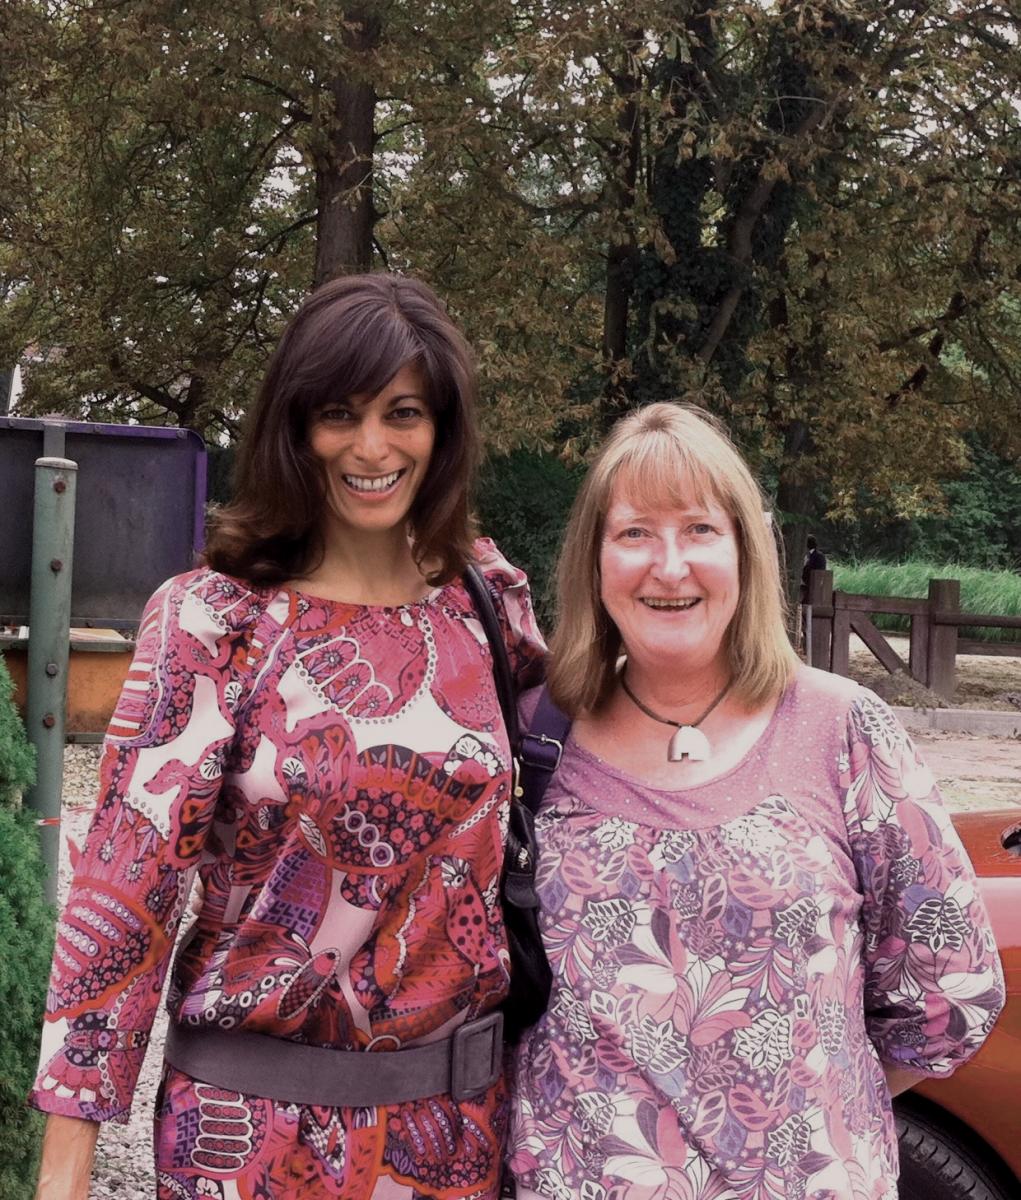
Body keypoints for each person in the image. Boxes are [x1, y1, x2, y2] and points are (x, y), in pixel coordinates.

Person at [30, 273, 545, 1200]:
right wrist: (64, 1175)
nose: (373, 445)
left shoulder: (485, 605)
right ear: (293, 426)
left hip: (456, 1137)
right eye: (339, 413)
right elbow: (123, 893)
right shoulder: (212, 624)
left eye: (405, 412)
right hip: (251, 1137)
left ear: (445, 429)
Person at [507, 403, 1004, 1200]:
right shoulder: (529, 738)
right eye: (633, 532)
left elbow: (950, 991)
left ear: (744, 551)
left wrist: (811, 1111)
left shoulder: (842, 728)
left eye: (699, 529)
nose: (668, 565)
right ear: (592, 560)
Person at [799, 534, 827, 604]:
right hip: (802, 583)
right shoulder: (805, 555)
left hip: (811, 584)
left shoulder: (819, 556)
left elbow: (819, 571)